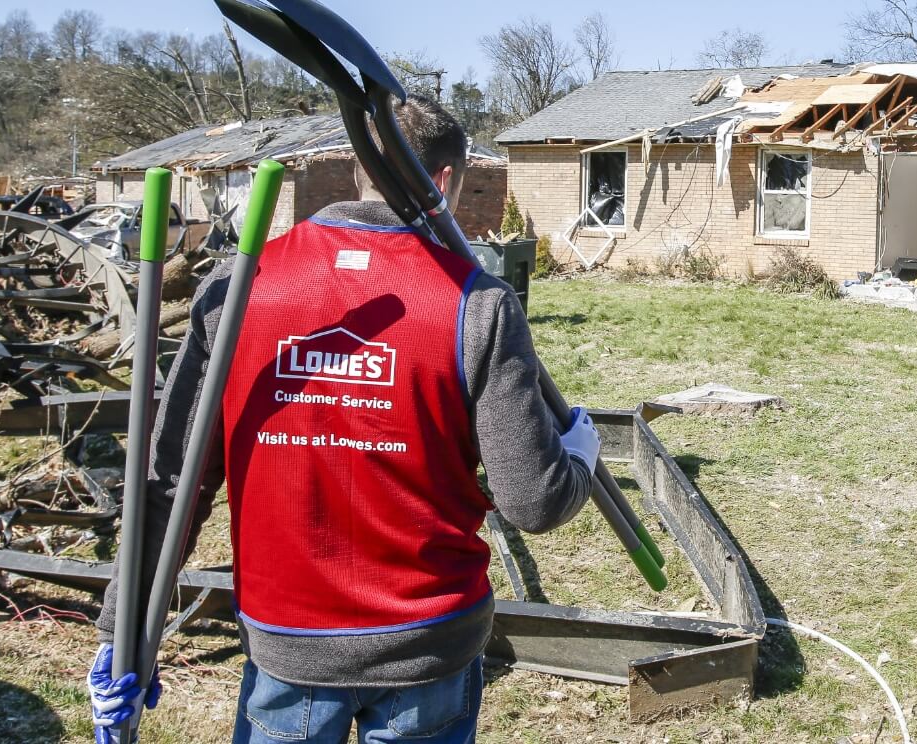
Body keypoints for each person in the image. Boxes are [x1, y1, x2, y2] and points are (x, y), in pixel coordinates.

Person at [88, 96, 600, 744]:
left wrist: (120, 631)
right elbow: (534, 499)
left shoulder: (236, 288)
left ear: (361, 169)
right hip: (428, 650)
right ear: (443, 181)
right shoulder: (479, 304)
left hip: (288, 649)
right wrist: (580, 453)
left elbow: (170, 481)